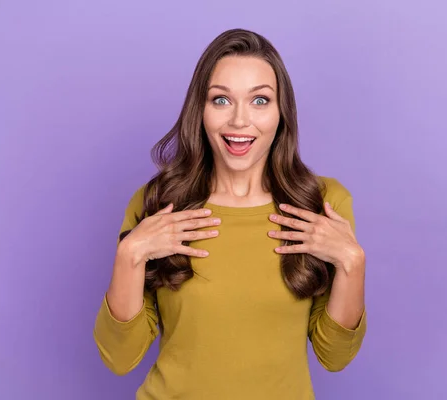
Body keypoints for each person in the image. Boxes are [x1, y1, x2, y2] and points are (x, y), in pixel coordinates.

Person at [93, 28, 367, 400]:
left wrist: (352, 263)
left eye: (259, 101)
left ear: (281, 112)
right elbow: (120, 358)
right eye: (221, 100)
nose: (240, 121)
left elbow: (334, 357)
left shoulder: (321, 203)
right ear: (200, 111)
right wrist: (129, 256)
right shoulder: (158, 201)